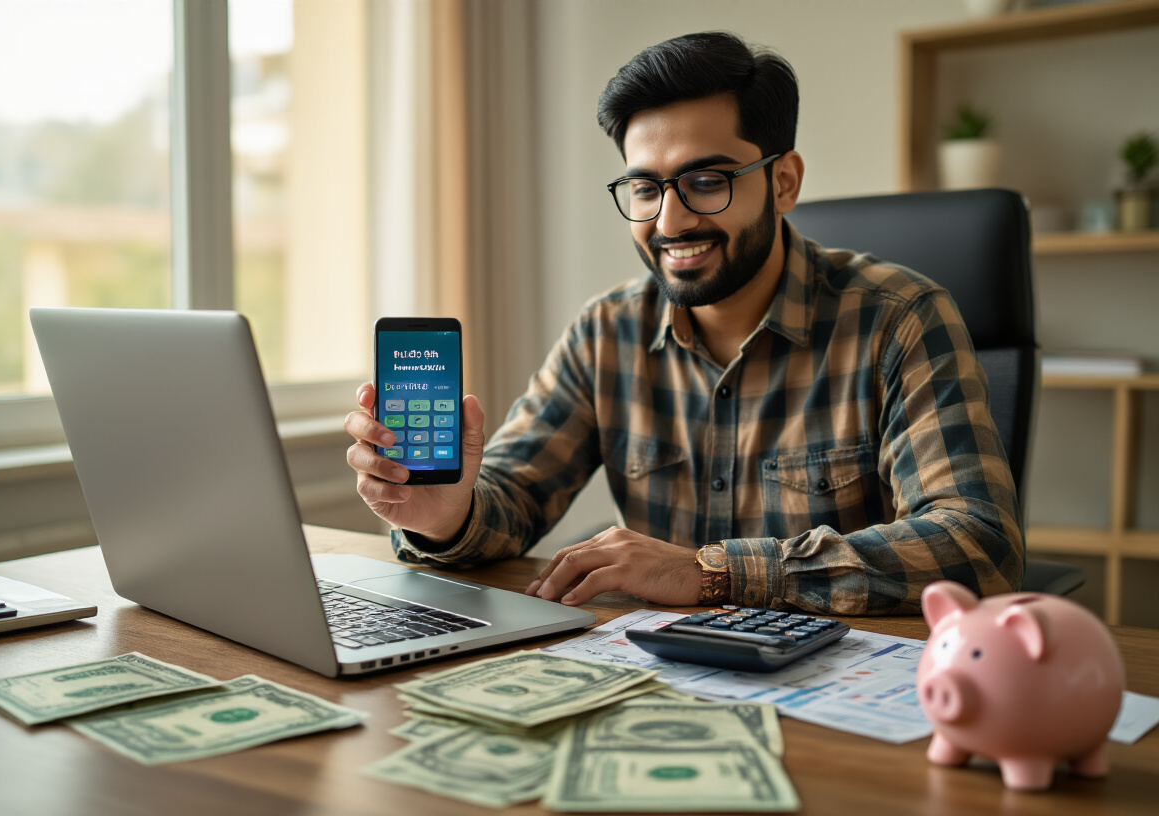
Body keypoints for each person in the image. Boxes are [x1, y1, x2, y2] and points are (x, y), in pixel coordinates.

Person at [344, 31, 1023, 615]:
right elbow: (511, 496)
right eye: (645, 187)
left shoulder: (899, 319)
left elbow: (977, 544)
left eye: (706, 181)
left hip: (843, 686)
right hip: (653, 676)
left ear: (783, 181)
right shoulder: (604, 332)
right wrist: (446, 516)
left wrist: (712, 573)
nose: (669, 223)